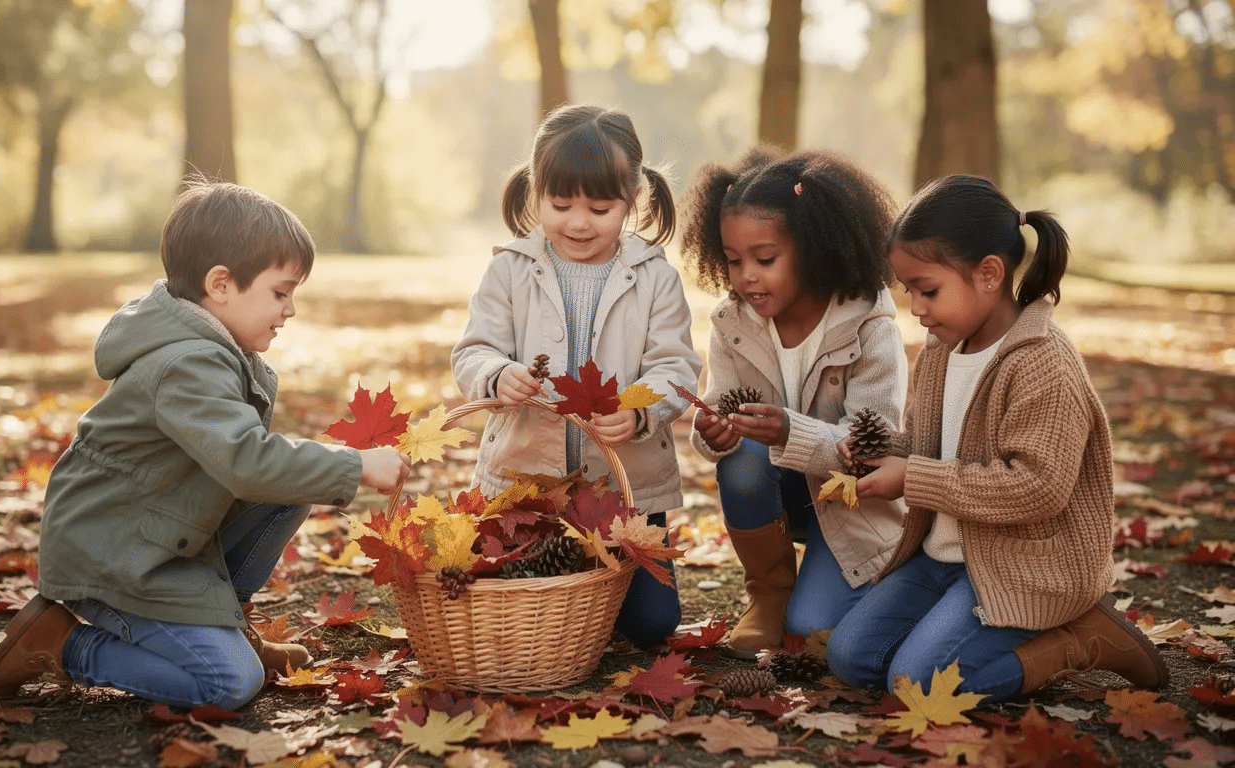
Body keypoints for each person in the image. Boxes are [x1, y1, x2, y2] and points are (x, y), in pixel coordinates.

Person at [0, 180, 411, 710]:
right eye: (280, 292)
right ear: (221, 284)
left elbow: (255, 468)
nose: (291, 308)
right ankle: (64, 644)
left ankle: (228, 625)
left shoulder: (216, 347)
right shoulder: (187, 364)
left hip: (158, 532)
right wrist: (355, 465)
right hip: (113, 555)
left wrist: (325, 470)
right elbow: (246, 462)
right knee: (229, 685)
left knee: (291, 486)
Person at [826, 174, 1168, 701]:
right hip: (944, 559)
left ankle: (1079, 640)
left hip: (1024, 568)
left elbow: (1036, 487)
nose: (916, 308)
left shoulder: (1042, 363)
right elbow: (925, 448)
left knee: (915, 685)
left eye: (928, 290)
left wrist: (912, 476)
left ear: (989, 274)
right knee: (851, 657)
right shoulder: (942, 352)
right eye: (909, 291)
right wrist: (880, 453)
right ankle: (954, 634)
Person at [451, 104, 703, 648]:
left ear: (634, 198)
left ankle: (603, 601)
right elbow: (473, 350)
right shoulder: (510, 269)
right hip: (526, 487)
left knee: (652, 625)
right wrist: (496, 376)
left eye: (600, 206)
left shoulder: (655, 278)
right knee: (523, 613)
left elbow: (676, 365)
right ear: (534, 191)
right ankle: (569, 603)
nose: (578, 222)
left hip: (627, 488)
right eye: (560, 204)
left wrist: (641, 412)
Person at [681, 147, 908, 657]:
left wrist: (790, 431)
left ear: (814, 248)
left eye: (765, 259)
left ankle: (830, 586)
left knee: (810, 633)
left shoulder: (871, 328)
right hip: (772, 495)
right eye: (733, 260)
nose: (746, 277)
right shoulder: (732, 322)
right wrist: (712, 432)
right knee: (742, 459)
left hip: (849, 505)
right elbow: (718, 407)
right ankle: (769, 589)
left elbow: (873, 448)